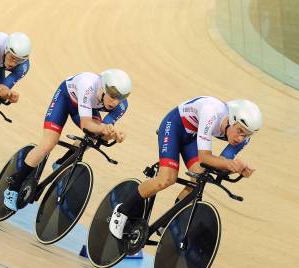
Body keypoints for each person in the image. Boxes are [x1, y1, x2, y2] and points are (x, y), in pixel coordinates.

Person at [109, 96, 263, 239]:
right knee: (167, 179)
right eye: (240, 131)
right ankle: (122, 211)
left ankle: (168, 222)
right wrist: (230, 164)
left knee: (199, 178)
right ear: (231, 118)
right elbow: (205, 157)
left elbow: (221, 163)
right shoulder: (212, 112)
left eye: (246, 135)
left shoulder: (243, 139)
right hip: (175, 126)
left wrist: (238, 169)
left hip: (191, 137)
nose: (240, 138)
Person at [3, 69, 132, 211]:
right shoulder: (88, 85)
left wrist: (114, 135)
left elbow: (104, 130)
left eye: (120, 98)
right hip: (65, 99)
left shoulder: (121, 106)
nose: (115, 102)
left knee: (94, 138)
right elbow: (86, 124)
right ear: (102, 87)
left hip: (85, 108)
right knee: (48, 144)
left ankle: (61, 162)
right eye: (113, 96)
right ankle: (13, 189)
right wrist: (104, 129)